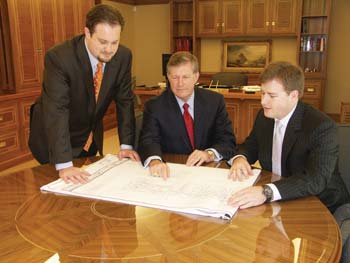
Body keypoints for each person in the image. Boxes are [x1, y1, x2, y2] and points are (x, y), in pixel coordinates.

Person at [29, 4, 140, 184]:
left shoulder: (123, 56)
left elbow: (125, 101)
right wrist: (64, 164)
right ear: (87, 33)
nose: (109, 49)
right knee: (56, 195)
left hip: (89, 136)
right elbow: (57, 110)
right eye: (103, 42)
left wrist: (126, 145)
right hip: (54, 140)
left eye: (115, 42)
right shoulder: (59, 58)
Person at [227, 61, 349, 213]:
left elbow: (315, 180)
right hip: (279, 200)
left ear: (293, 95)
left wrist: (266, 192)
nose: (263, 101)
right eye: (262, 93)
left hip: (319, 205)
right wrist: (240, 158)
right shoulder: (264, 116)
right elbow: (252, 145)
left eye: (271, 95)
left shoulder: (321, 126)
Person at [138, 51, 236, 178]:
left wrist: (209, 154)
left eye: (185, 77)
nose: (180, 83)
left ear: (196, 77)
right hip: (171, 172)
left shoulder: (215, 101)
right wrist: (155, 160)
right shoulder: (155, 106)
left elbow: (227, 141)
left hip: (208, 172)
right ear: (168, 77)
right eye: (175, 77)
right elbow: (149, 140)